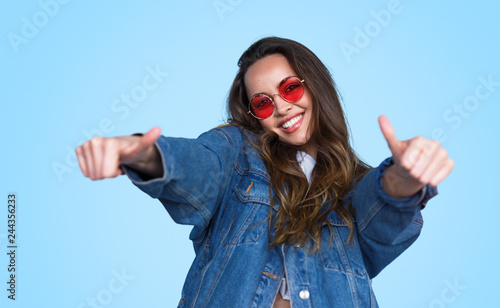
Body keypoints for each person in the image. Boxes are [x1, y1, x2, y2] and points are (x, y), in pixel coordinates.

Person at [75, 37, 454, 307]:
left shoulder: (355, 187)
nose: (282, 108)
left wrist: (405, 176)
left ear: (314, 86)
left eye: (290, 88)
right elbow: (198, 167)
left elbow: (384, 214)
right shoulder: (238, 153)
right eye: (263, 102)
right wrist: (139, 154)